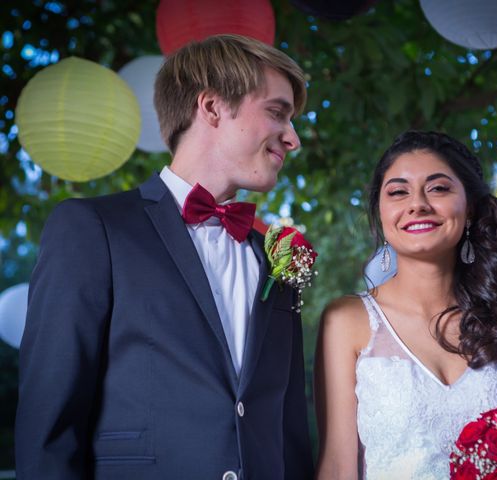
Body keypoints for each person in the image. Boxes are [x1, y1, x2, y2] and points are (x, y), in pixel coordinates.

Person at [16, 34, 313, 480]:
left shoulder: (278, 258)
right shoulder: (92, 228)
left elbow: (288, 426)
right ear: (211, 107)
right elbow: (49, 426)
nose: (292, 139)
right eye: (277, 112)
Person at [314, 130, 497, 479]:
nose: (417, 204)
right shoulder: (346, 322)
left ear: (469, 207)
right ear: (380, 211)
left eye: (438, 188)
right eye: (397, 191)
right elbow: (336, 466)